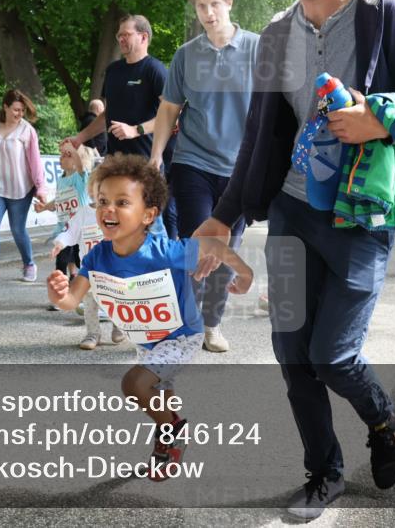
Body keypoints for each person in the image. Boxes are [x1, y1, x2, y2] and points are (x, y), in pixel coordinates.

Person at [193, 0, 395, 520]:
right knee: (291, 354)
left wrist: (378, 119)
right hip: (292, 212)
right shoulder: (277, 34)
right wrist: (225, 213)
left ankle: (382, 422)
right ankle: (323, 472)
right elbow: (260, 133)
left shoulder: (385, 12)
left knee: (332, 354)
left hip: (362, 219)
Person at [46, 154, 252, 481]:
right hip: (147, 343)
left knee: (135, 384)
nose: (108, 209)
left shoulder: (164, 251)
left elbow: (215, 245)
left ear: (149, 214)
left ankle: (173, 431)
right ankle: (165, 445)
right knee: (160, 396)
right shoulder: (98, 254)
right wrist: (60, 295)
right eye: (101, 201)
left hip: (182, 337)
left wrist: (245, 273)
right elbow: (73, 299)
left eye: (122, 202)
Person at [149, 0, 259, 353]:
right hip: (193, 160)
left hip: (240, 169)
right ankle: (185, 321)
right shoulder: (186, 55)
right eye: (200, 6)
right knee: (198, 243)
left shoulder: (257, 50)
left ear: (229, 3)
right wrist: (156, 154)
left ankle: (212, 324)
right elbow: (169, 108)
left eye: (214, 4)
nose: (208, 13)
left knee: (227, 251)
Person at [68, 14, 177, 237]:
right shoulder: (114, 71)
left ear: (143, 37)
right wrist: (80, 137)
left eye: (126, 35)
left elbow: (172, 115)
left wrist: (135, 129)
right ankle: (124, 270)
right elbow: (107, 115)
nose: (121, 40)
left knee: (151, 224)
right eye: (118, 36)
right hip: (115, 161)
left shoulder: (154, 70)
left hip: (146, 162)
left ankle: (166, 270)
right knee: (118, 222)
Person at [40, 143, 126, 349]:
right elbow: (71, 231)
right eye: (99, 191)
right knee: (89, 303)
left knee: (114, 300)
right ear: (92, 191)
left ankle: (119, 326)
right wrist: (60, 242)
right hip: (88, 268)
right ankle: (92, 333)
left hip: (112, 268)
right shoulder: (83, 213)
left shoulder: (115, 214)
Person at [0, 89, 47, 285]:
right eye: (16, 109)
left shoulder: (27, 131)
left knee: (17, 229)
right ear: (5, 107)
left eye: (22, 111)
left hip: (20, 190)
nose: (19, 114)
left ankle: (29, 264)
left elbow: (35, 162)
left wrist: (40, 188)